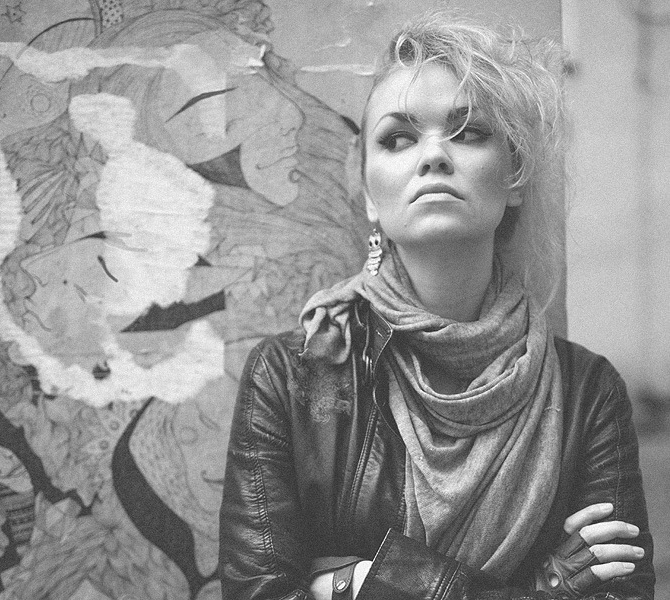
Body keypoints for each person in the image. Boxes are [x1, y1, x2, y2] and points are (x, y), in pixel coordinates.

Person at [218, 12, 655, 600]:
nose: (433, 156)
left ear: (515, 176)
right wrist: (542, 587)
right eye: (398, 139)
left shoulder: (587, 393)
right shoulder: (291, 377)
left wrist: (358, 583)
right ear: (369, 196)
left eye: (467, 132)